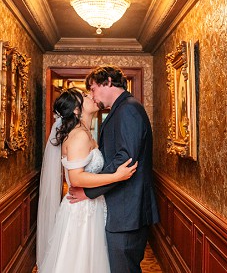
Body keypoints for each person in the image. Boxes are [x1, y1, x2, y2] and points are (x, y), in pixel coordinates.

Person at [68, 66, 160, 273]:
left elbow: (125, 160)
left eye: (92, 89)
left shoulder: (128, 109)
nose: (92, 95)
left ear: (108, 81)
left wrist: (88, 191)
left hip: (128, 211)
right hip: (122, 209)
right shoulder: (121, 109)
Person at [37, 88, 137, 273]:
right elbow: (76, 178)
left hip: (91, 206)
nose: (90, 95)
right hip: (81, 212)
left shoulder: (86, 133)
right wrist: (117, 176)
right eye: (84, 96)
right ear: (76, 110)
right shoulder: (79, 136)